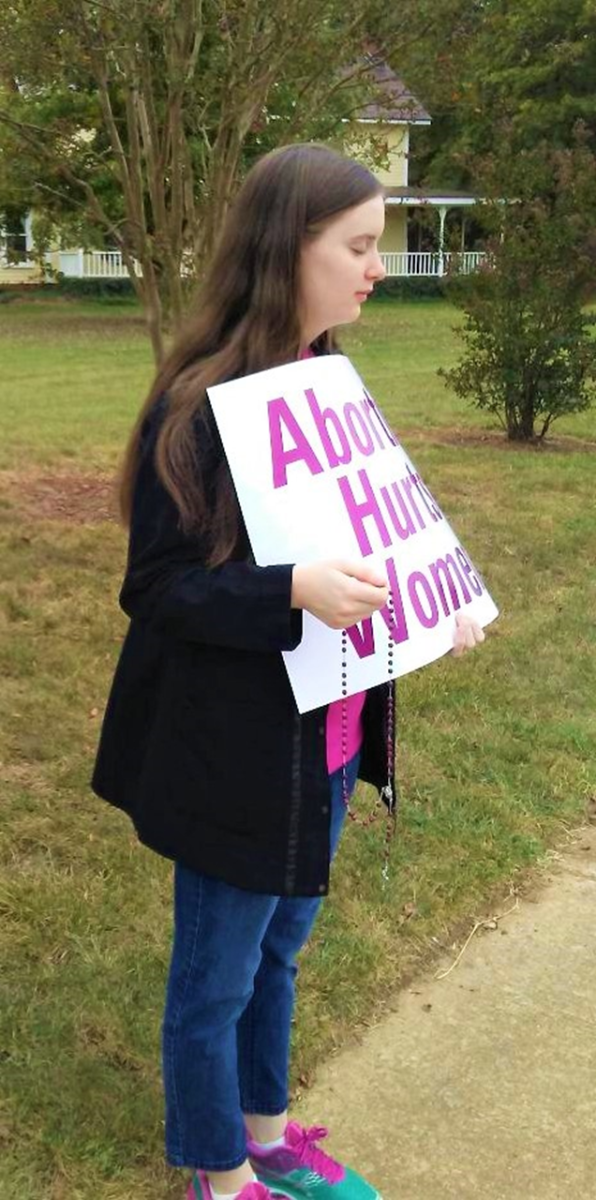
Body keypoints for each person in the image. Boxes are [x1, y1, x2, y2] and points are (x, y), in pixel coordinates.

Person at [92, 143, 484, 1200]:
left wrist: (434, 601)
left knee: (278, 956)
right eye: (355, 245)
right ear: (285, 251)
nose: (373, 266)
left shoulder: (326, 383)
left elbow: (369, 537)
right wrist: (291, 590)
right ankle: (219, 1179)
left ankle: (264, 1135)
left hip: (327, 741)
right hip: (235, 761)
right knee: (213, 984)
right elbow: (161, 589)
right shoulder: (200, 404)